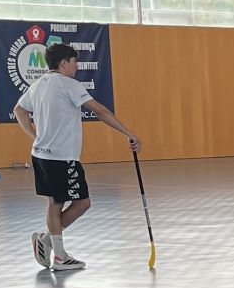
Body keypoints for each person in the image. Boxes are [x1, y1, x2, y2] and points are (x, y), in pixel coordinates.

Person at [13, 41, 141, 273]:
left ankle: (52, 246)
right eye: (74, 62)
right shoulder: (69, 84)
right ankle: (54, 249)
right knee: (82, 203)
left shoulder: (38, 85)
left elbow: (19, 110)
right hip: (62, 157)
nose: (77, 66)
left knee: (55, 202)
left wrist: (34, 136)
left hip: (40, 155)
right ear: (64, 63)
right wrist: (128, 133)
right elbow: (100, 110)